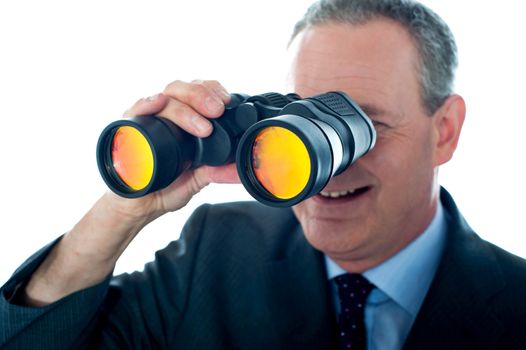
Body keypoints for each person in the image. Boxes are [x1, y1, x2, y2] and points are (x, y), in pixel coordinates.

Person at [1, 0, 525, 349]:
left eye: (361, 127)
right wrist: (125, 207)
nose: (322, 173)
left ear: (446, 131)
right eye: (304, 124)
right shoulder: (216, 252)